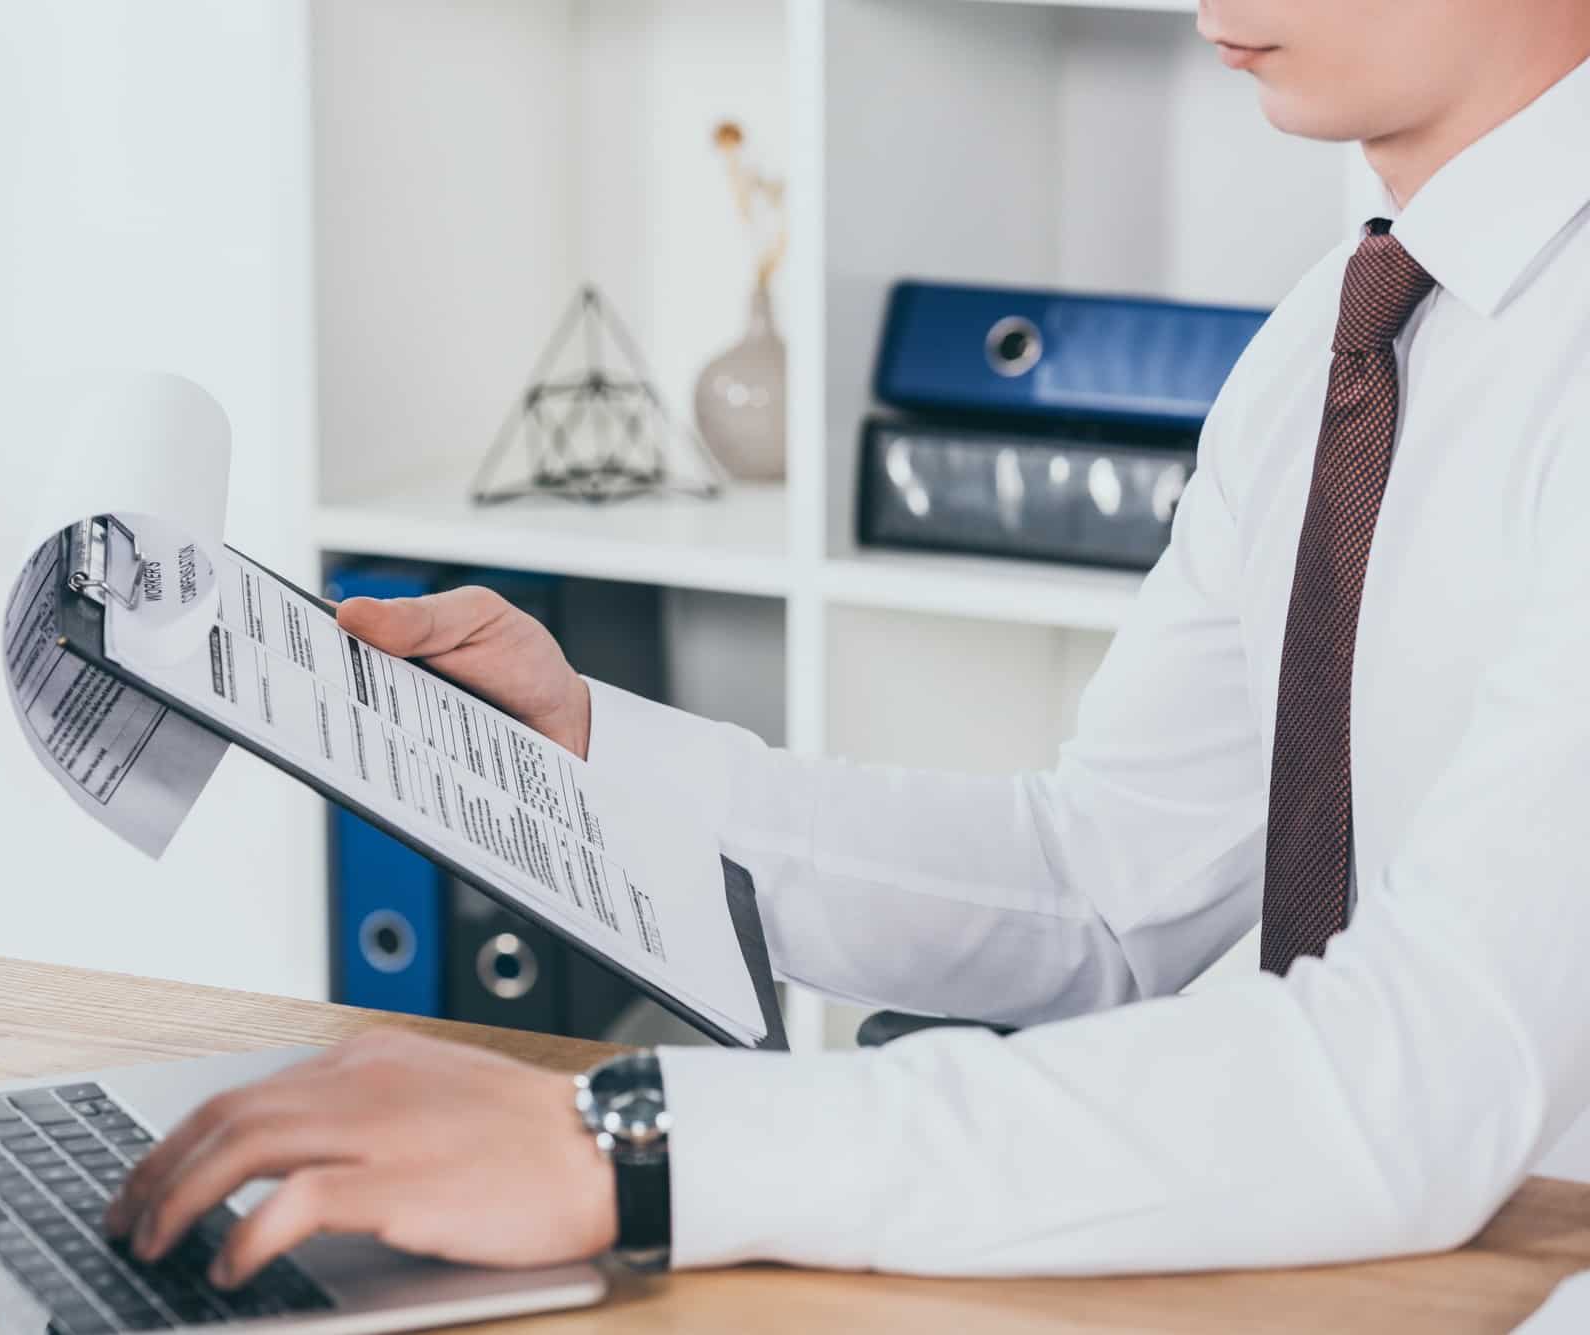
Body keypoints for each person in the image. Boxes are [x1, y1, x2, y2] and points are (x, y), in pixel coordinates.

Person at [106, 0, 1590, 1290]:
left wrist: (640, 1147)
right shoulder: (1326, 342)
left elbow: (1418, 1085)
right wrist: (586, 765)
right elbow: (1101, 892)